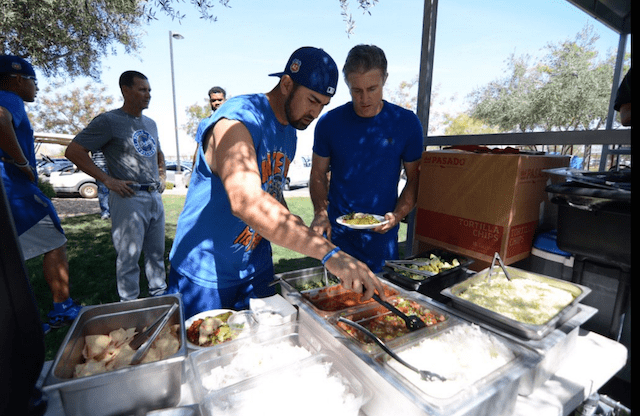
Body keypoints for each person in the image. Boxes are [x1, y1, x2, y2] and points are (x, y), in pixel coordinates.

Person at [168, 46, 387, 319]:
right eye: (311, 100)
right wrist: (329, 254)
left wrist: (301, 227)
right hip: (205, 272)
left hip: (256, 267)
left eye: (322, 105)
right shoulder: (236, 120)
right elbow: (246, 201)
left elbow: (270, 195)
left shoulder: (289, 133)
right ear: (286, 83)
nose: (315, 112)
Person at [310, 44, 424, 273]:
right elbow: (317, 173)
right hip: (337, 238)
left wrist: (398, 215)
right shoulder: (329, 123)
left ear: (385, 79)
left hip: (382, 240)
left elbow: (415, 179)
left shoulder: (406, 123)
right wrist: (320, 213)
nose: (364, 99)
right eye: (356, 91)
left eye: (372, 88)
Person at [66, 70, 168, 302]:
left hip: (154, 197)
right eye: (142, 90)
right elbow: (74, 151)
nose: (148, 95)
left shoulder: (150, 123)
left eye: (149, 90)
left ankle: (160, 298)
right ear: (125, 90)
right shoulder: (109, 121)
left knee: (156, 254)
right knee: (128, 256)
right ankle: (129, 303)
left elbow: (159, 153)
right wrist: (107, 180)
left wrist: (161, 176)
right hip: (128, 197)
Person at [0, 55, 82, 331]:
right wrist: (22, 162)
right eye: (34, 81)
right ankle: (63, 308)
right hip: (15, 189)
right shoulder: (10, 98)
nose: (36, 88)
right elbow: (0, 119)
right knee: (54, 240)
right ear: (17, 79)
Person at [91, 150, 110, 219]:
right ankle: (106, 212)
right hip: (101, 164)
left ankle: (106, 212)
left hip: (102, 163)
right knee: (103, 189)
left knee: (103, 189)